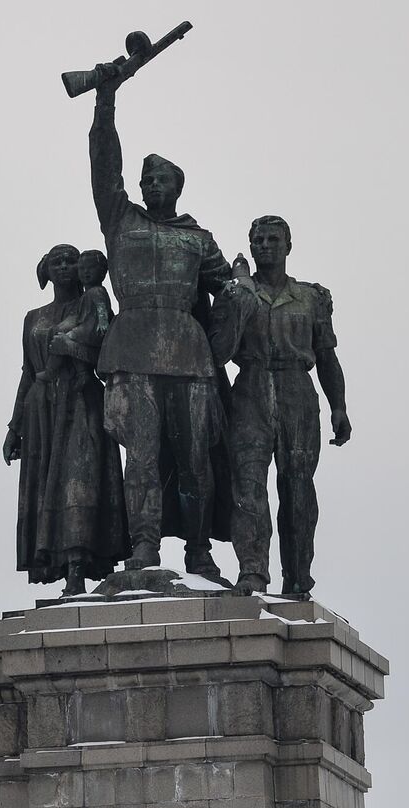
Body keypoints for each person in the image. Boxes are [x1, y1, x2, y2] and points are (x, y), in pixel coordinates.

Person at [86, 65, 234, 579]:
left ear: (178, 186)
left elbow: (232, 296)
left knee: (196, 461)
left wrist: (224, 338)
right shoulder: (121, 220)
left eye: (161, 178)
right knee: (142, 460)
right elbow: (105, 169)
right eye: (146, 178)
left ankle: (198, 549)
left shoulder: (198, 238)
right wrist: (105, 102)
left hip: (189, 358)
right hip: (131, 352)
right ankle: (144, 544)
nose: (151, 184)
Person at [213, 215, 352, 599]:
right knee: (248, 486)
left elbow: (326, 355)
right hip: (251, 389)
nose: (265, 246)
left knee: (298, 488)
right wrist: (236, 294)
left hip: (298, 392)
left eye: (274, 239)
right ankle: (253, 572)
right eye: (258, 240)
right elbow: (219, 351)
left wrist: (338, 406)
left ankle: (298, 578)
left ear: (288, 245)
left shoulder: (311, 297)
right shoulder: (237, 293)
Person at [4, 244, 128, 594]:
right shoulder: (34, 317)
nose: (63, 266)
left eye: (70, 260)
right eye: (56, 261)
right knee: (49, 487)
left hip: (80, 401)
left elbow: (105, 348)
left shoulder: (92, 302)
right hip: (41, 407)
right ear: (45, 269)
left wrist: (72, 349)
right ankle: (59, 565)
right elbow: (28, 372)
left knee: (80, 480)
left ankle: (79, 566)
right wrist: (15, 428)